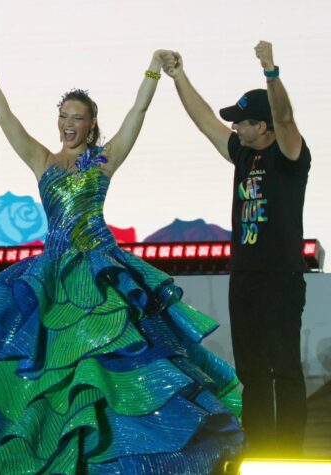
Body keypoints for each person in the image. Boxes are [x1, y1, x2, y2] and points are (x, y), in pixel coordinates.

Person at [0, 39, 246, 474]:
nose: (68, 124)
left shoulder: (103, 161)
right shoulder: (42, 160)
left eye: (77, 117)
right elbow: (5, 117)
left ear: (91, 125)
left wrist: (152, 68)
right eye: (63, 116)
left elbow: (137, 113)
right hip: (54, 282)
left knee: (107, 373)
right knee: (45, 377)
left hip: (101, 275)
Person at [160, 41, 310, 456]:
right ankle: (260, 451)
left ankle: (290, 453)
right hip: (244, 277)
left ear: (263, 126)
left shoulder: (289, 154)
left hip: (281, 276)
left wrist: (271, 72)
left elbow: (285, 117)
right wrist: (178, 77)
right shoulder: (243, 155)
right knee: (253, 371)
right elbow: (205, 120)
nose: (235, 128)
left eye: (243, 123)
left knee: (284, 368)